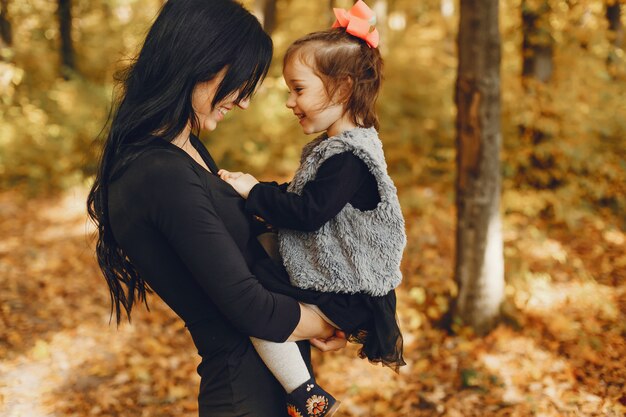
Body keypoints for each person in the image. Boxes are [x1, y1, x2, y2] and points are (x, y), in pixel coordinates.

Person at [86, 1, 347, 416]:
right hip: (241, 398)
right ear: (199, 61)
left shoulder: (184, 150)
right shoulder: (157, 172)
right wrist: (341, 319)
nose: (243, 102)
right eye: (240, 82)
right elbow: (251, 308)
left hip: (268, 389)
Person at [219, 2, 407, 416]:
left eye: (298, 89)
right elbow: (304, 196)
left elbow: (308, 212)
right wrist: (257, 194)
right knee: (259, 259)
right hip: (336, 280)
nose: (290, 101)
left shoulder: (350, 158)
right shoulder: (338, 149)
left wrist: (256, 193)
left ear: (340, 89)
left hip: (349, 291)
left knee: (258, 316)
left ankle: (306, 395)